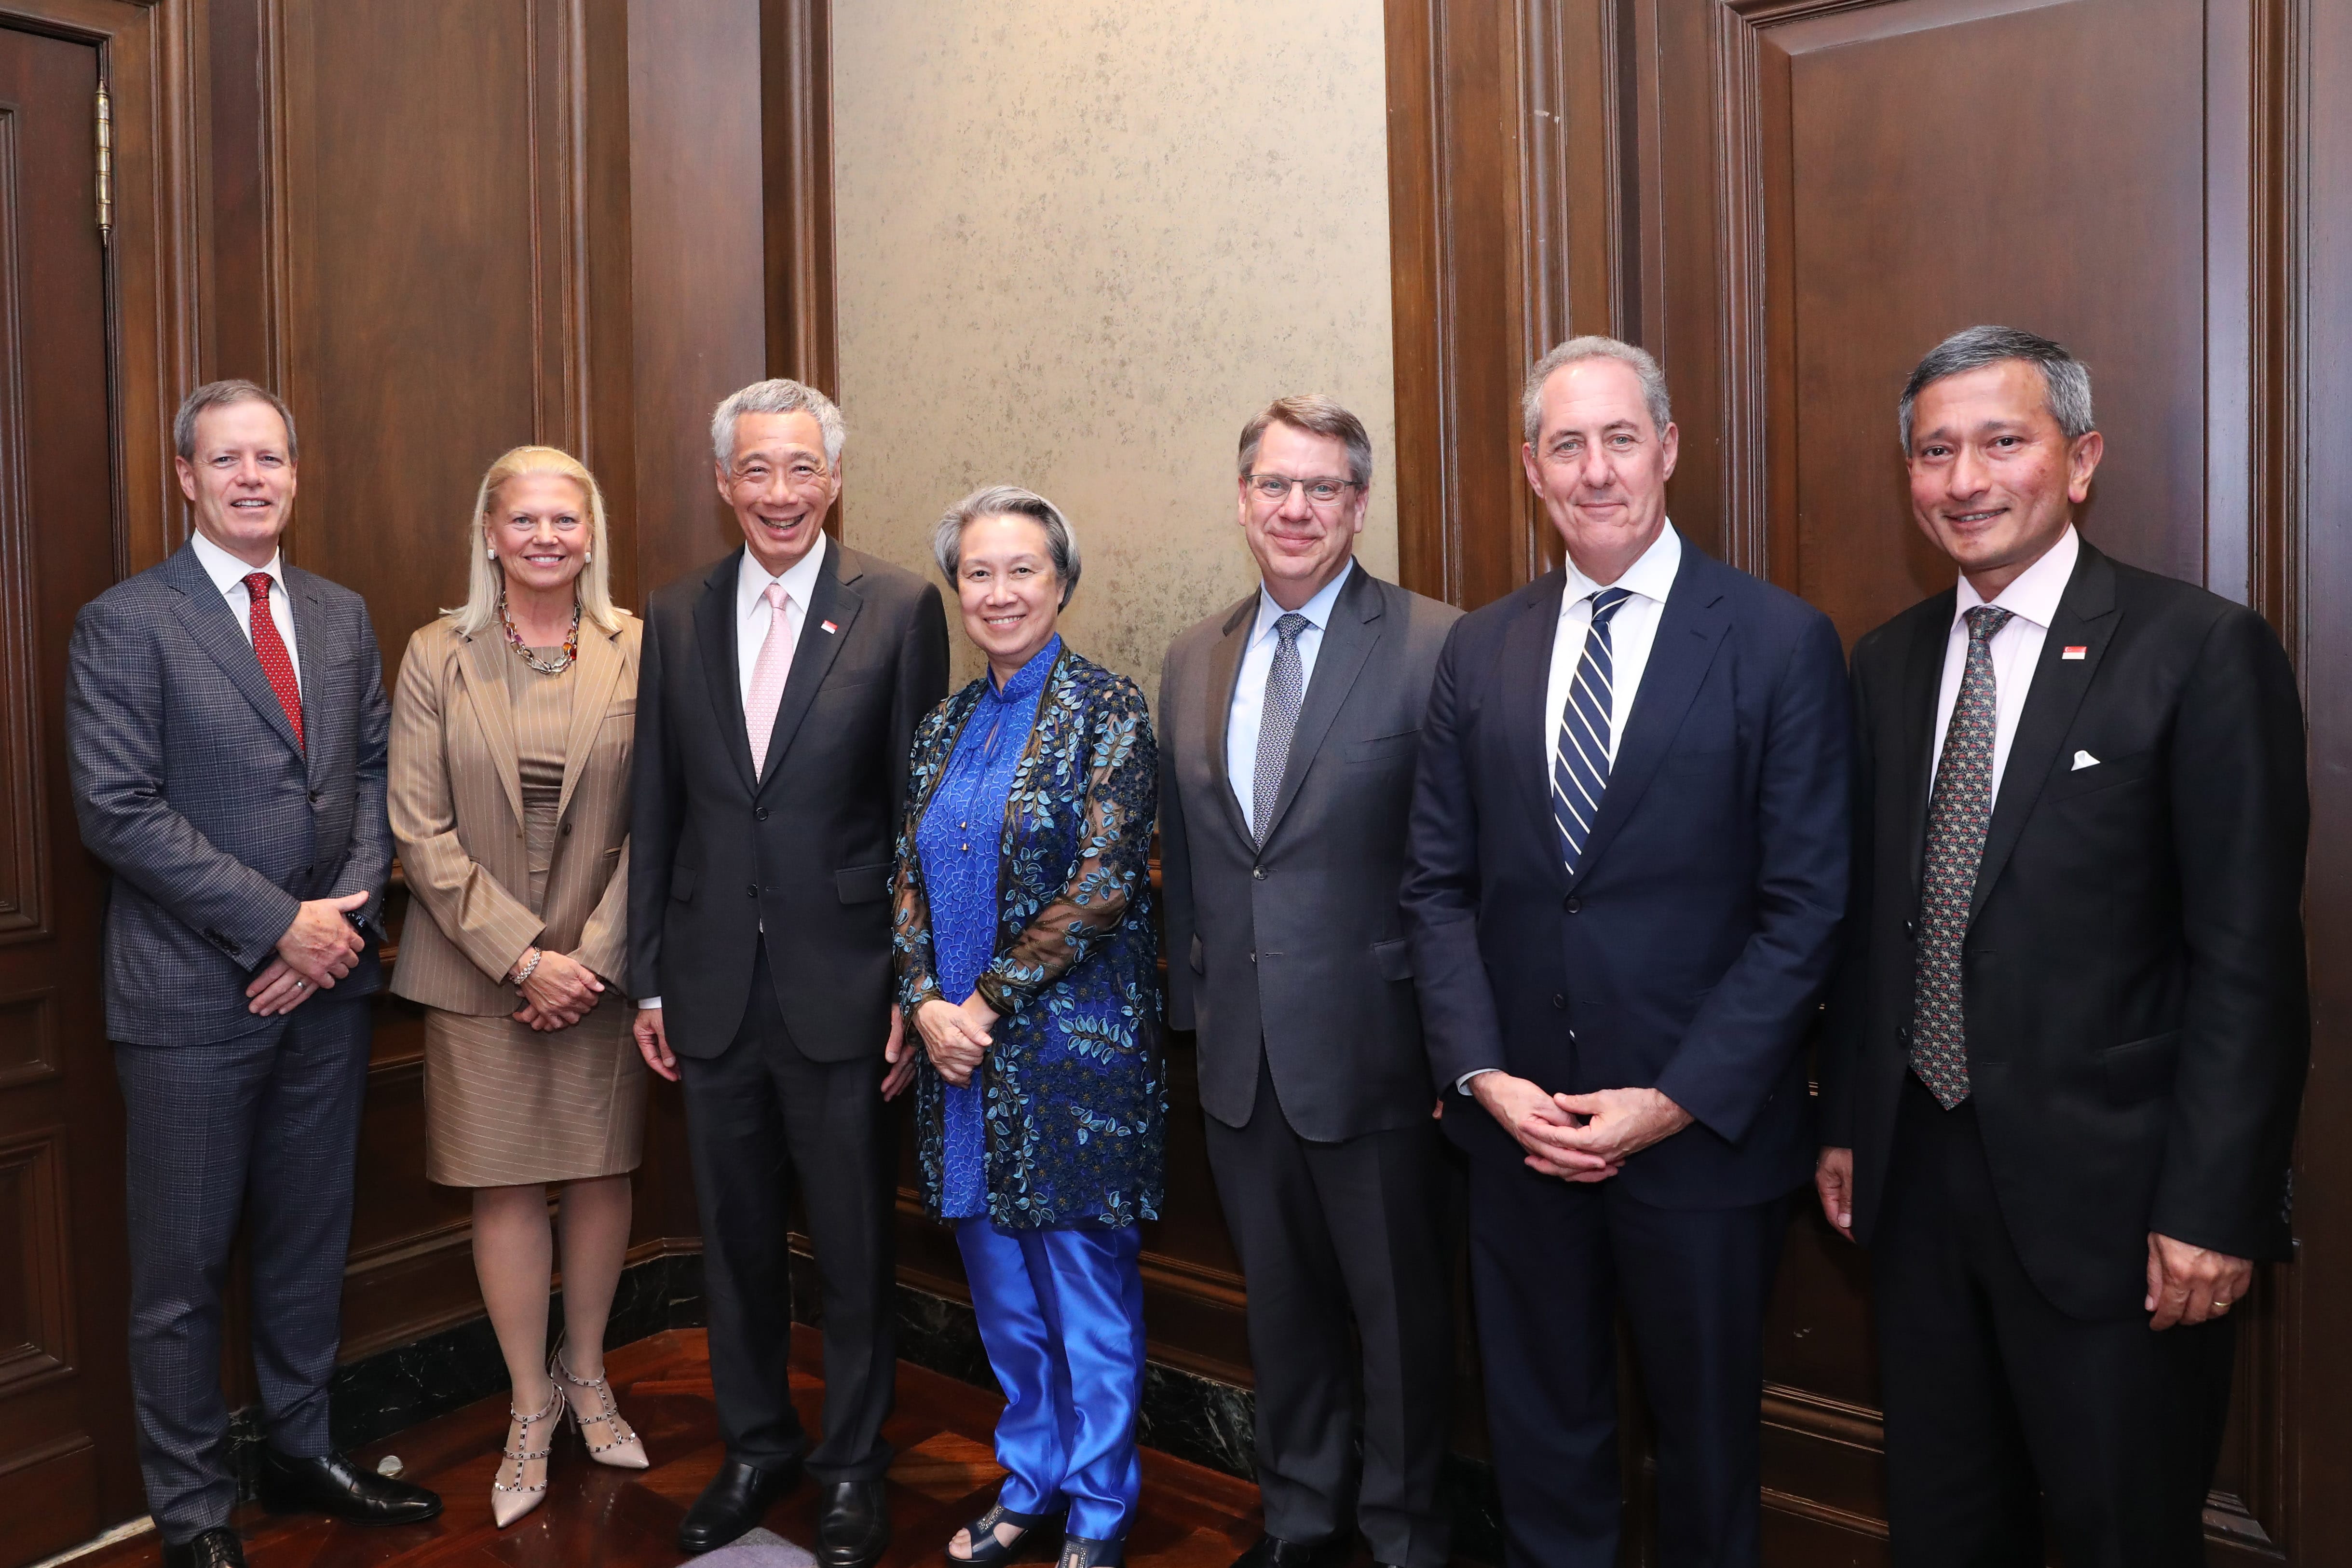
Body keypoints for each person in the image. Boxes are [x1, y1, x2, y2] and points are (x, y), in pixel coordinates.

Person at [1814, 325, 2309, 1567]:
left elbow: (2248, 957)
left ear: (2079, 461)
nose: (1965, 478)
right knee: (1943, 1519)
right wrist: (1845, 1122)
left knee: (2116, 1529)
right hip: (1917, 1187)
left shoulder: (2198, 650)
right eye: (1935, 451)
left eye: (2002, 442)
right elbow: (1878, 927)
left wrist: (2217, 1205)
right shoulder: (1886, 663)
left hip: (2122, 1209)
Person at [1401, 338, 1850, 1568]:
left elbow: (1805, 910)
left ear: (1667, 448)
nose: (1594, 471)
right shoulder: (1479, 651)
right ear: (1531, 471)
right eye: (1565, 445)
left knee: (1709, 1460)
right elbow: (1435, 886)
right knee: (1541, 1440)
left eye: (1617, 439)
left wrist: (1675, 1098)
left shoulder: (1777, 641)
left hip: (1700, 1140)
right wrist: (1483, 1077)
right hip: (1517, 1133)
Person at [66, 381, 442, 1568]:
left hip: (325, 996)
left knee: (302, 1240)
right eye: (224, 460)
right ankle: (191, 1518)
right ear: (185, 477)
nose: (250, 478)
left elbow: (376, 779)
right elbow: (119, 813)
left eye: (269, 458)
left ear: (295, 472)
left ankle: (299, 1449)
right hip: (189, 1001)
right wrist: (281, 926)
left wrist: (334, 928)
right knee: (178, 1276)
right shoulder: (126, 623)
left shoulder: (337, 614)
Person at [629, 378, 949, 1561]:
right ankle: (756, 1447)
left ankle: (854, 1463)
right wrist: (650, 982)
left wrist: (911, 994)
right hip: (710, 991)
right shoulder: (675, 612)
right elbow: (656, 809)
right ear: (725, 483)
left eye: (800, 469)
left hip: (847, 990)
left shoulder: (900, 607)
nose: (779, 493)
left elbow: (918, 820)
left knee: (858, 1249)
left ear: (833, 480)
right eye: (755, 470)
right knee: (737, 1243)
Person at [1158, 396, 1461, 1568]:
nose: (1295, 509)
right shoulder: (1195, 656)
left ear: (1360, 505)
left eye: (1322, 488)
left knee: (1398, 1322)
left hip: (1384, 1058)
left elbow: (1463, 869)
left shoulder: (1438, 644)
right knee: (1280, 1316)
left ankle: (1400, 1536)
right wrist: (1193, 1026)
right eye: (1274, 487)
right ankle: (1298, 1518)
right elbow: (1193, 866)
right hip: (1239, 1060)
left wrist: (1457, 1054)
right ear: (1242, 502)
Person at [893, 485, 1163, 1568]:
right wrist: (924, 1006)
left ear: (1062, 583)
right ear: (957, 589)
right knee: (1004, 1299)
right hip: (957, 1066)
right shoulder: (945, 724)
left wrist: (984, 1001)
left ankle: (1101, 1508)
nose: (999, 593)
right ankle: (1033, 1480)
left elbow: (1105, 885)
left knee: (1086, 1299)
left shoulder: (1111, 709)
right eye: (978, 573)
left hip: (1068, 1059)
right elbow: (902, 880)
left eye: (1022, 571)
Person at [386, 445, 648, 1527]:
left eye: (566, 521)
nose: (547, 538)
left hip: (606, 965)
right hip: (475, 972)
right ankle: (529, 1404)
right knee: (506, 1187)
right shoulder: (433, 652)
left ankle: (589, 1374)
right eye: (525, 521)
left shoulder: (642, 647)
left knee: (597, 1176)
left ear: (590, 535)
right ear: (490, 533)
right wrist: (522, 956)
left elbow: (667, 819)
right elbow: (415, 826)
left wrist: (590, 958)